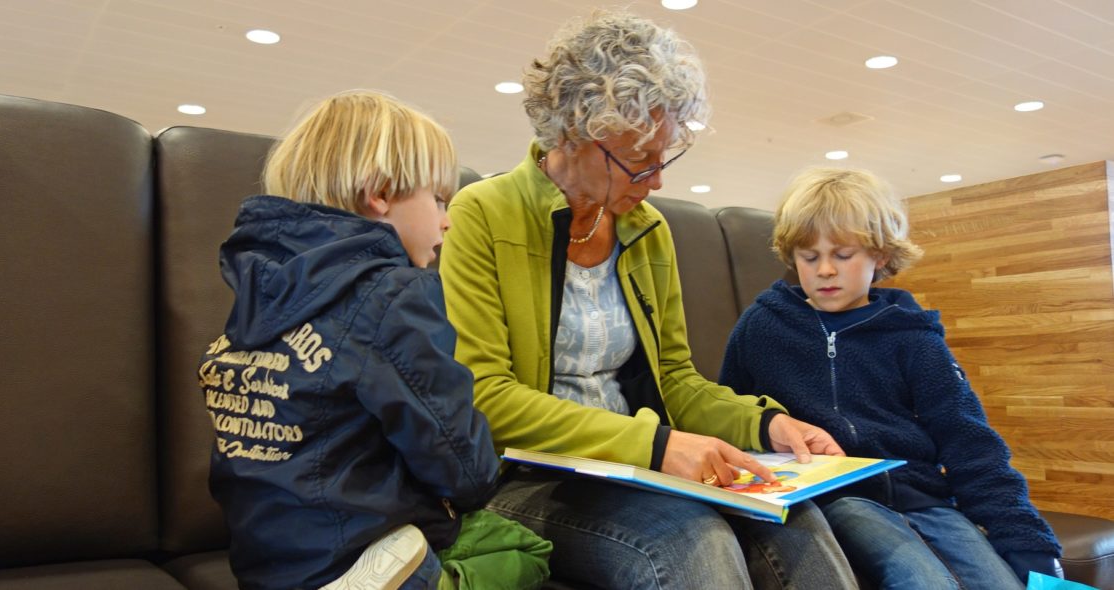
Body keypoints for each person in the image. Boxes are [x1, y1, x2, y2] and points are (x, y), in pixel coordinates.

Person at [439, 11, 857, 589]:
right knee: (694, 543)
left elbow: (676, 380)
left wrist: (766, 425)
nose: (656, 180)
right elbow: (486, 397)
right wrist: (655, 445)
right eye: (639, 161)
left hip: (642, 465)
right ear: (571, 135)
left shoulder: (647, 228)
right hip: (531, 478)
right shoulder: (482, 214)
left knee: (801, 527)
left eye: (665, 157)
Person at [199, 90, 551, 590]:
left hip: (265, 555)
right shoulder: (392, 293)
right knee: (523, 549)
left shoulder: (258, 285)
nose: (447, 220)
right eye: (439, 199)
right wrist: (480, 481)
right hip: (354, 545)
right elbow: (451, 451)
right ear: (380, 194)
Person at [720, 166, 1063, 588]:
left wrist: (1027, 543)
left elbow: (969, 440)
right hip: (840, 498)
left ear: (879, 255)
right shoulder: (763, 326)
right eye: (809, 257)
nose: (824, 270)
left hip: (926, 500)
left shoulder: (913, 336)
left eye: (842, 255)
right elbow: (727, 412)